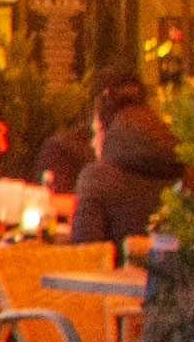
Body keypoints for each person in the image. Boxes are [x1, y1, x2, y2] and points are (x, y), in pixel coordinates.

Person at [76, 64, 187, 248]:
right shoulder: (189, 171)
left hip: (119, 275)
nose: (92, 143)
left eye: (95, 132)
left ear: (107, 131)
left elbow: (84, 257)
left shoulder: (97, 179)